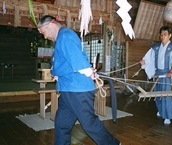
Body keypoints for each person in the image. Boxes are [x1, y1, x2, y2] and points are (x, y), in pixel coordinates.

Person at [37, 15, 120, 145]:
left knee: (89, 124)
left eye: (44, 33)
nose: (45, 37)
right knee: (62, 124)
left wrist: (88, 72)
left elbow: (78, 61)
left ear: (51, 25)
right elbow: (66, 63)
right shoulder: (62, 37)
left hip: (77, 90)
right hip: (68, 89)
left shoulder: (65, 36)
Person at [140, 26, 172, 124]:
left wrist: (171, 71)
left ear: (170, 35)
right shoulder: (156, 47)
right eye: (161, 35)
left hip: (167, 75)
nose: (162, 37)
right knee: (157, 93)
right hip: (158, 73)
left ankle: (167, 116)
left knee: (166, 95)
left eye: (165, 35)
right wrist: (144, 62)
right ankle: (160, 110)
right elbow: (148, 58)